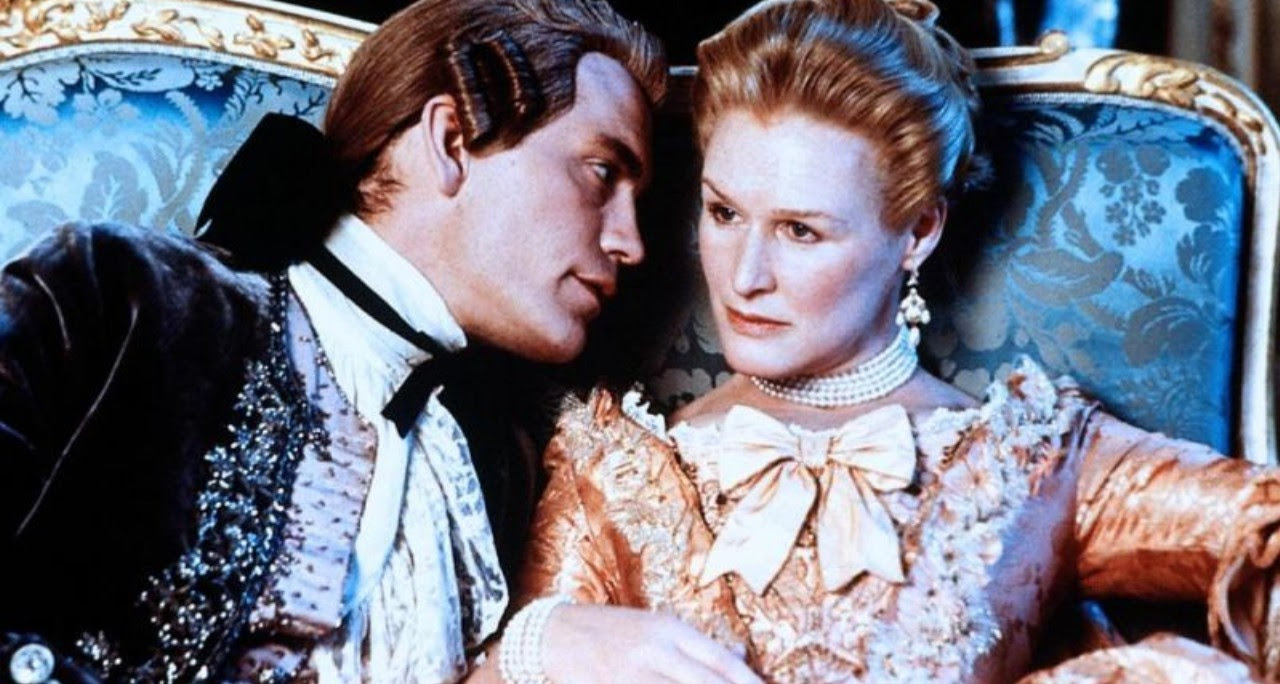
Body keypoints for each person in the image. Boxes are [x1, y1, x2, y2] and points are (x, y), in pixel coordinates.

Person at [512, 0, 1280, 681]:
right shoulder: (611, 472)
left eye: (801, 231)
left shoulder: (1035, 457)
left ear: (917, 231)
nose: (745, 276)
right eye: (724, 213)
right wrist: (539, 646)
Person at [0, 1, 761, 682]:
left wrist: (529, 656)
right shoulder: (130, 295)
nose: (630, 242)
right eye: (601, 172)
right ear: (452, 140)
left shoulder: (497, 459)